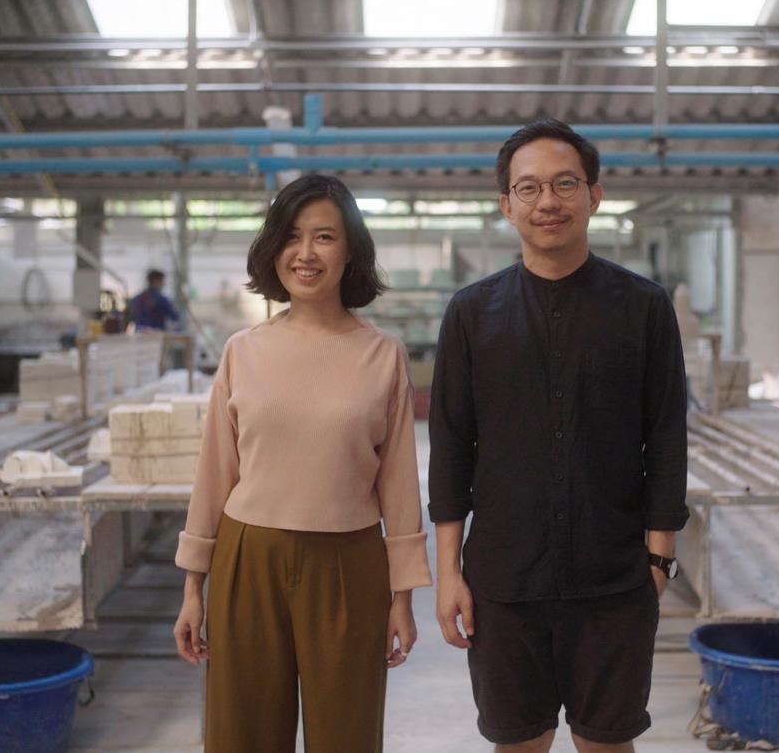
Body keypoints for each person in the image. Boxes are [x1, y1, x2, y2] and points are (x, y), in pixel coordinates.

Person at [429, 119, 688, 752]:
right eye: (530, 188)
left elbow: (667, 434)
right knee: (519, 742)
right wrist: (448, 572)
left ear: (594, 195)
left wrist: (657, 558)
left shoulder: (643, 306)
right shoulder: (471, 312)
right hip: (503, 581)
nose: (548, 201)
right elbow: (451, 445)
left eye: (565, 183)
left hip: (615, 578)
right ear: (506, 206)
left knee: (606, 742)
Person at [172, 173, 433, 753]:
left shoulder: (382, 354)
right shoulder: (244, 350)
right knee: (242, 735)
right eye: (292, 236)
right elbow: (215, 472)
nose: (306, 253)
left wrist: (403, 596)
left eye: (325, 237)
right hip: (247, 560)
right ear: (274, 250)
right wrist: (194, 586)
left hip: (349, 564)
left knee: (347, 735)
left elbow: (398, 483)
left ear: (350, 253)